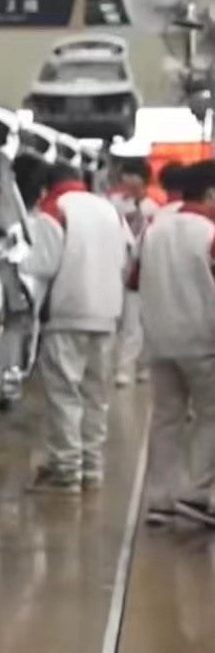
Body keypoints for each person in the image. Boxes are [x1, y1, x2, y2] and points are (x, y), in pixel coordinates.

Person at [23, 161, 129, 492]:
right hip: (107, 313)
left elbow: (42, 266)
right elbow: (127, 256)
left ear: (47, 185)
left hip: (66, 314)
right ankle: (92, 466)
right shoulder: (110, 210)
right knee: (96, 395)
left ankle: (66, 470)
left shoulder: (53, 211)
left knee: (65, 395)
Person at [132, 160, 215, 526]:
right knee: (211, 417)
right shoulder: (210, 232)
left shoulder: (155, 228)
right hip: (204, 342)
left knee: (167, 418)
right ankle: (195, 494)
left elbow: (132, 278)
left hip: (159, 339)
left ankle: (160, 500)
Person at [107, 161, 157, 387]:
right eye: (125, 176)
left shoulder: (153, 208)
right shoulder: (114, 203)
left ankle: (137, 366)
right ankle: (122, 366)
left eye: (131, 175)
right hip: (117, 266)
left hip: (143, 269)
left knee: (139, 320)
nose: (126, 180)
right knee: (123, 320)